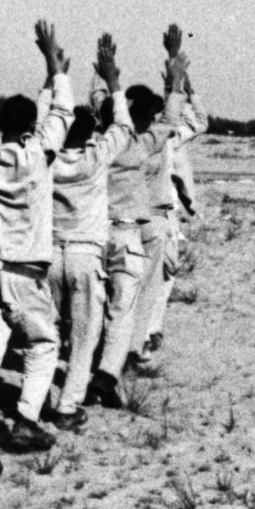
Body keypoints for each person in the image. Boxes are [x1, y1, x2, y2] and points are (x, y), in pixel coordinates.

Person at [85, 29, 199, 409]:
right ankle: (118, 364)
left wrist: (105, 74)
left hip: (99, 229)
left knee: (98, 301)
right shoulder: (147, 143)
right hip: (142, 227)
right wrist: (175, 70)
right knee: (135, 300)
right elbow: (172, 116)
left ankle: (103, 361)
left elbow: (100, 105)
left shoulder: (103, 143)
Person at [0, 21, 71, 453]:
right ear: (31, 125)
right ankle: (25, 420)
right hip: (25, 272)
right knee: (43, 341)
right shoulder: (37, 155)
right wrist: (54, 66)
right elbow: (62, 115)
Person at [46, 34, 134, 429]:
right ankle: (67, 405)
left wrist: (53, 77)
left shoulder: (43, 158)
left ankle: (36, 399)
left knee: (48, 335)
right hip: (84, 255)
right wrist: (114, 82)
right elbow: (124, 126)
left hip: (47, 254)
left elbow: (41, 120)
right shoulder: (96, 157)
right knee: (84, 338)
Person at [131, 26, 209, 369]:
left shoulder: (114, 141)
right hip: (158, 220)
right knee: (157, 282)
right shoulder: (163, 139)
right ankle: (145, 339)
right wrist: (179, 76)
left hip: (124, 221)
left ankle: (141, 338)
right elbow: (195, 120)